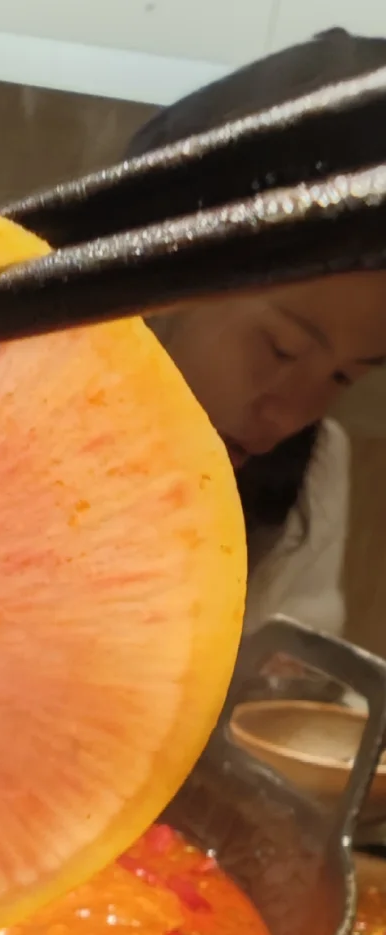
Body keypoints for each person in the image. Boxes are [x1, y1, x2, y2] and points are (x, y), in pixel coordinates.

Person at [124, 28, 386, 641]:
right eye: (282, 348)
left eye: (343, 375)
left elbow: (286, 660)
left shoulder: (316, 467)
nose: (289, 416)